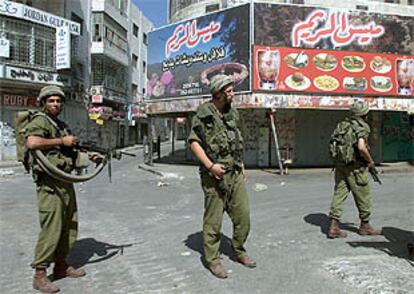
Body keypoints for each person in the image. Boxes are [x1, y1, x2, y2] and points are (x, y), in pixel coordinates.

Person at [26, 86, 96, 293]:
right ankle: (40, 274)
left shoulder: (61, 125)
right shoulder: (39, 121)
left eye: (58, 101)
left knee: (69, 225)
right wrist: (60, 141)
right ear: (43, 103)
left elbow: (70, 151)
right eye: (51, 101)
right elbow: (32, 143)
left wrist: (91, 156)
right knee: (52, 228)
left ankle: (61, 266)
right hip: (49, 183)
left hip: (65, 181)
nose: (55, 104)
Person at [188, 74, 256, 279]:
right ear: (218, 94)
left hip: (234, 173)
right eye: (229, 91)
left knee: (243, 216)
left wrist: (241, 164)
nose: (232, 94)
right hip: (213, 176)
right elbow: (194, 142)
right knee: (213, 221)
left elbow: (236, 140)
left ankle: (238, 251)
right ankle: (213, 260)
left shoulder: (233, 114)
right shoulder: (203, 114)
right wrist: (210, 166)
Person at [328, 101, 382, 239]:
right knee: (363, 194)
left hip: (340, 165)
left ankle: (334, 226)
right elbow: (361, 147)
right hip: (356, 167)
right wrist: (370, 162)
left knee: (339, 194)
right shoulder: (362, 126)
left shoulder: (343, 124)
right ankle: (365, 226)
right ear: (364, 113)